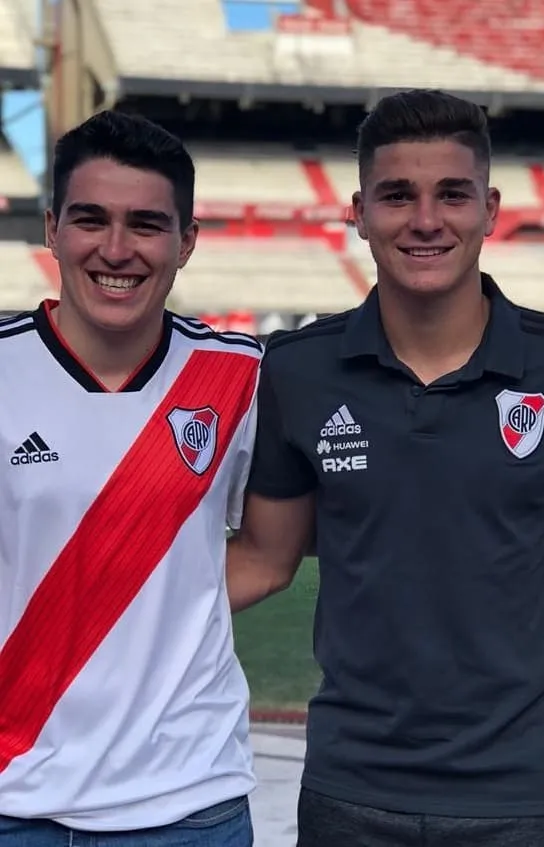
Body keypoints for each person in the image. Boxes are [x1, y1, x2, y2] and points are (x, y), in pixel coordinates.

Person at [226, 88, 544, 847]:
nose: (425, 220)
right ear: (358, 210)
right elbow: (264, 558)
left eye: (451, 194)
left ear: (488, 207)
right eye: (397, 196)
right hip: (351, 789)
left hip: (527, 796)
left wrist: (510, 593)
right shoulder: (298, 369)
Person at [0, 110, 262, 845]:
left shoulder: (239, 376)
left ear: (187, 242)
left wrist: (160, 602)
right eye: (91, 220)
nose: (117, 249)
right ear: (52, 229)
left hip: (191, 803)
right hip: (16, 800)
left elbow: (272, 553)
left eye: (146, 224)